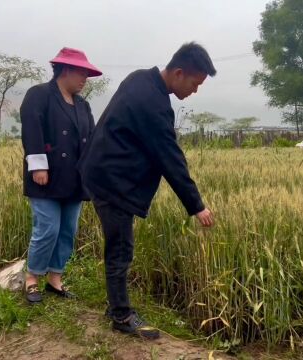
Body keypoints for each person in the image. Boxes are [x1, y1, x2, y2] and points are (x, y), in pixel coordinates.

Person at [79, 42, 216, 339]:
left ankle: (116, 304)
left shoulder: (140, 78)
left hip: (102, 172)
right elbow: (171, 159)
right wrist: (197, 205)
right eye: (195, 83)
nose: (195, 90)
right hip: (112, 180)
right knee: (120, 248)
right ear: (179, 73)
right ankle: (121, 315)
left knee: (118, 245)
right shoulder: (153, 105)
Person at [20, 47, 102, 304]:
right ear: (65, 70)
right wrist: (38, 166)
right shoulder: (40, 95)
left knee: (67, 229)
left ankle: (55, 278)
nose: (85, 79)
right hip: (46, 177)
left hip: (75, 178)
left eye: (87, 74)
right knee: (47, 228)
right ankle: (32, 277)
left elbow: (91, 140)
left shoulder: (83, 105)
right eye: (81, 72)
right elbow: (32, 130)